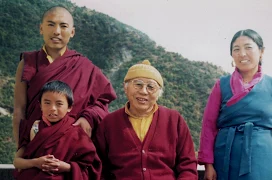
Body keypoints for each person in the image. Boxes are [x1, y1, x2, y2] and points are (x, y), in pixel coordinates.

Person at [12, 6, 117, 149]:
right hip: (35, 145)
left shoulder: (85, 67)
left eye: (63, 26)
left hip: (72, 146)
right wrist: (20, 148)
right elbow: (19, 109)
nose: (56, 31)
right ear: (41, 28)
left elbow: (103, 101)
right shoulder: (28, 62)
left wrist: (87, 118)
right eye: (51, 24)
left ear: (72, 32)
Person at [198, 29, 272, 180]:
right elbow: (208, 126)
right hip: (224, 158)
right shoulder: (221, 85)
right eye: (236, 49)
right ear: (232, 55)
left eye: (248, 47)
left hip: (262, 159)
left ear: (261, 51)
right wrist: (208, 165)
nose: (242, 53)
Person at [93, 60, 198, 180]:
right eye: (138, 84)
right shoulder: (109, 123)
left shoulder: (174, 120)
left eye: (150, 87)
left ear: (159, 93)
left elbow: (188, 165)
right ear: (125, 88)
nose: (143, 91)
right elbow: (99, 167)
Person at [13, 80, 101, 180]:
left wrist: (66, 167)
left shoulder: (76, 132)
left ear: (69, 107)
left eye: (59, 104)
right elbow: (17, 162)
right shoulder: (33, 127)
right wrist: (36, 163)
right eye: (47, 103)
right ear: (40, 105)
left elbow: (91, 166)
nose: (53, 108)